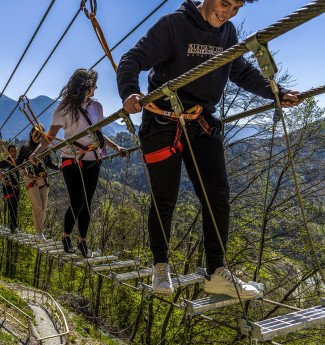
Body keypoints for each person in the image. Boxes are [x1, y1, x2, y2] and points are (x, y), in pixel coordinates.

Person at [117, 0, 302, 297]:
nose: (228, 12)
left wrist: (275, 92)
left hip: (201, 122)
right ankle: (161, 266)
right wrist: (129, 92)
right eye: (225, 2)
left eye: (237, 7)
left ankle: (216, 271)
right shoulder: (172, 25)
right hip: (162, 123)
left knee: (217, 194)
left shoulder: (227, 33)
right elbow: (132, 59)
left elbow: (240, 72)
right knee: (165, 197)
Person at [31, 68, 127, 258]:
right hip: (70, 158)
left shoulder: (97, 106)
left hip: (93, 159)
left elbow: (98, 133)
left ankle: (82, 241)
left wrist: (116, 147)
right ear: (86, 86)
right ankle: (66, 236)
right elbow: (50, 135)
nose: (96, 87)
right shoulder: (63, 109)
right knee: (78, 200)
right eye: (93, 84)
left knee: (87, 203)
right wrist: (36, 152)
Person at [15, 125, 59, 242]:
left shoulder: (43, 148)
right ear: (31, 134)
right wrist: (23, 170)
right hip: (31, 179)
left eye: (40, 136)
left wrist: (61, 167)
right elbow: (18, 163)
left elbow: (49, 163)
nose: (37, 137)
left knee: (43, 207)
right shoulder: (25, 148)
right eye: (36, 134)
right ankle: (39, 233)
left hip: (43, 179)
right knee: (38, 206)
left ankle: (40, 232)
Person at [0, 145, 20, 233]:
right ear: (8, 152)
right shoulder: (4, 162)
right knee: (12, 207)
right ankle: (13, 227)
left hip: (16, 187)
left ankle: (13, 227)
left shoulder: (18, 161)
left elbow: (24, 168)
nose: (14, 152)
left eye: (15, 151)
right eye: (12, 151)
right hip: (7, 188)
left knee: (15, 207)